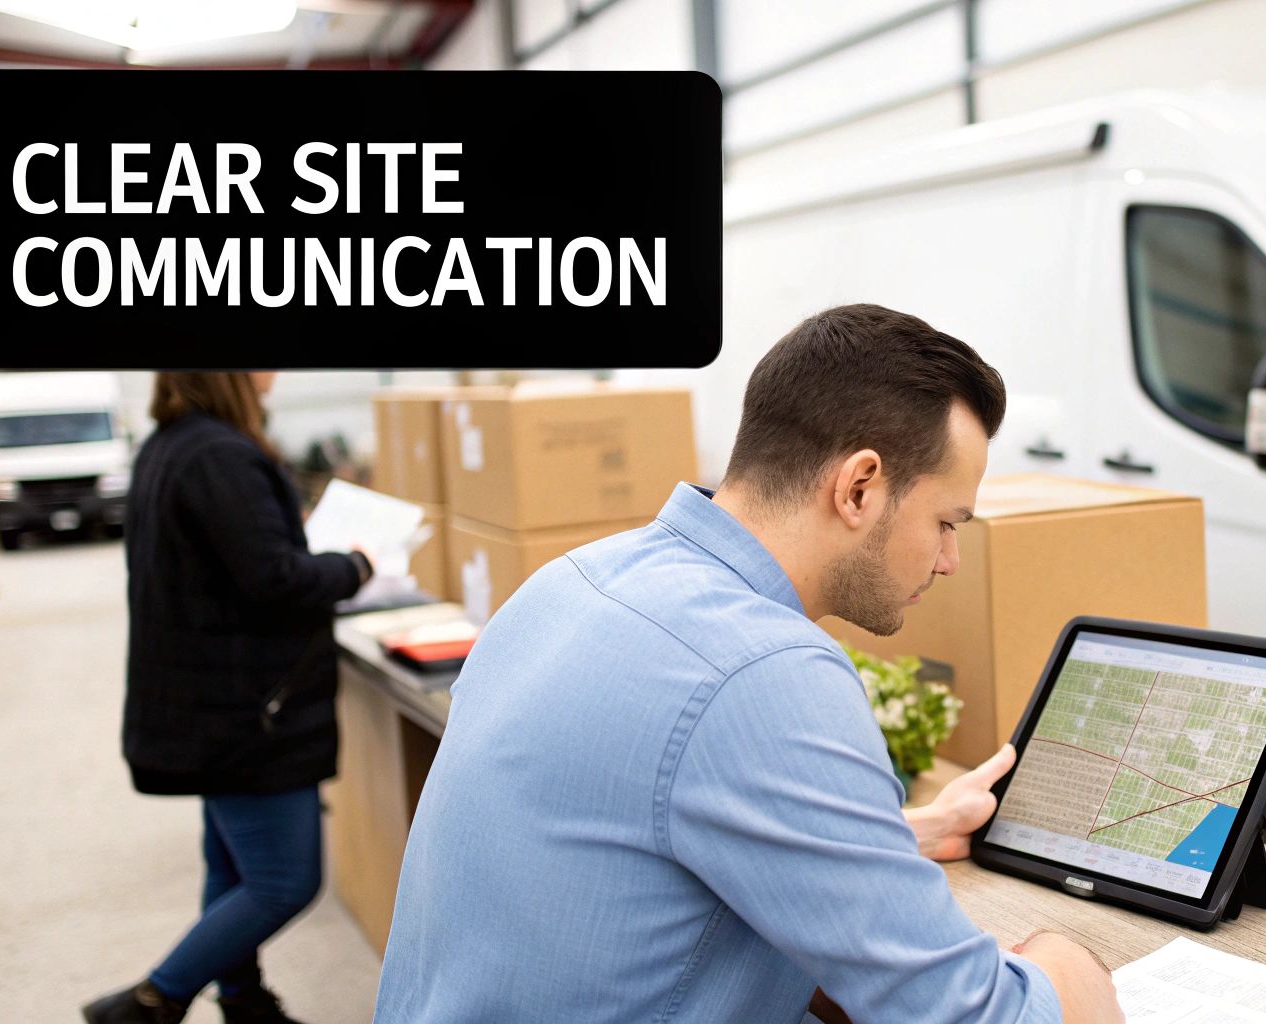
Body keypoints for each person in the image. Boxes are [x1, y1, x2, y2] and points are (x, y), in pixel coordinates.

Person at [375, 305, 1123, 1023]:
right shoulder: (764, 671)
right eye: (947, 522)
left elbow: (653, 818)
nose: (951, 559)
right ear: (859, 487)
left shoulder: (574, 580)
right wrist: (1070, 958)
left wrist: (904, 832)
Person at [85, 372, 374, 1024]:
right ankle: (148, 1002)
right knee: (282, 882)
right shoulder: (221, 455)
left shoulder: (174, 445)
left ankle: (243, 999)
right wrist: (355, 565)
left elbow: (233, 557)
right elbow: (273, 578)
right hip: (247, 715)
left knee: (233, 868)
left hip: (209, 707)